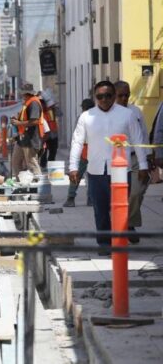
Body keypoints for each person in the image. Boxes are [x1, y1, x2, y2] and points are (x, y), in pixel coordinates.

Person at [68, 81, 148, 253]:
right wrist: (73, 167)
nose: (104, 99)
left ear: (114, 96)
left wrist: (143, 165)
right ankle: (104, 244)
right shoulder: (86, 117)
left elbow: (138, 140)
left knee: (120, 209)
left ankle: (119, 242)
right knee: (100, 209)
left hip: (121, 170)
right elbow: (77, 142)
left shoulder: (127, 115)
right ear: (95, 97)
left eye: (108, 96)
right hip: (96, 170)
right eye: (100, 96)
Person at [114, 81, 150, 234]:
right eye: (120, 95)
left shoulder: (135, 112)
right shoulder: (108, 114)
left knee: (136, 192)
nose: (124, 98)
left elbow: (143, 134)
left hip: (136, 158)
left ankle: (128, 223)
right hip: (117, 160)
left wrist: (148, 158)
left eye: (126, 95)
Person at [63, 98, 95, 207]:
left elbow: (77, 137)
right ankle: (90, 199)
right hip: (94, 150)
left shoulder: (82, 117)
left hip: (83, 151)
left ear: (83, 108)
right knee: (91, 176)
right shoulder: (97, 117)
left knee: (76, 175)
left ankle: (70, 198)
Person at [11, 82, 44, 177]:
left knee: (32, 163)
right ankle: (20, 182)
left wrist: (19, 123)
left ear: (25, 93)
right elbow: (25, 119)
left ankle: (39, 184)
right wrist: (17, 120)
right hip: (22, 139)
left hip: (31, 139)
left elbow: (35, 121)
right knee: (16, 162)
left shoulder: (33, 103)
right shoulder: (27, 103)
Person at [39, 90, 60, 169]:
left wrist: (54, 107)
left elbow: (59, 114)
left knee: (53, 151)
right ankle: (43, 166)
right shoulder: (40, 111)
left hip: (53, 134)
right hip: (44, 134)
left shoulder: (52, 110)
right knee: (44, 151)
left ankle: (51, 166)